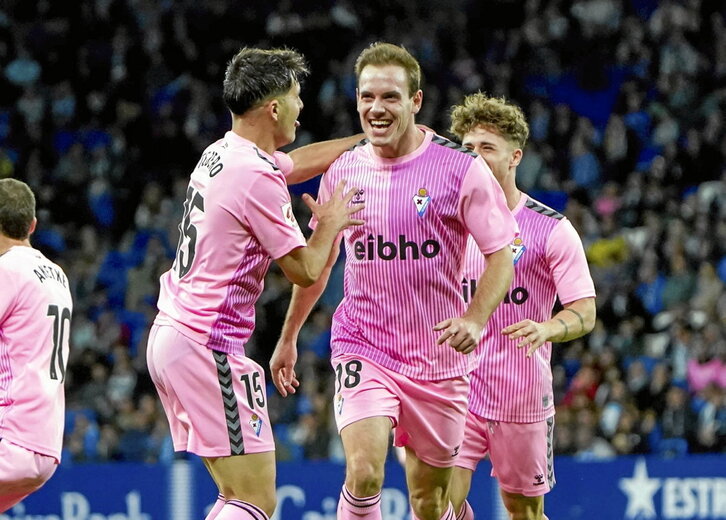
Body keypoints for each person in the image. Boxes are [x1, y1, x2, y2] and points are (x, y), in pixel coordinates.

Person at [270, 42, 518, 520]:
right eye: (366, 97)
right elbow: (319, 266)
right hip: (364, 344)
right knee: (364, 473)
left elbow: (501, 256)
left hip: (438, 360)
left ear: (416, 102)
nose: (376, 109)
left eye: (389, 97)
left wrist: (474, 318)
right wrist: (288, 337)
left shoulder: (460, 170)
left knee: (431, 503)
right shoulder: (344, 172)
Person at [145, 47, 365, 520]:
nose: (302, 106)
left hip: (175, 335)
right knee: (255, 500)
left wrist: (362, 143)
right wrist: (330, 222)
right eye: (296, 95)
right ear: (275, 107)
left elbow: (296, 163)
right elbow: (305, 270)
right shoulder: (254, 176)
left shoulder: (223, 153)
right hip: (208, 345)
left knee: (234, 495)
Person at [448, 93, 597, 520]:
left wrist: (547, 328)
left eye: (486, 149)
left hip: (521, 395)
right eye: (468, 149)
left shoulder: (551, 229)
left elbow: (584, 310)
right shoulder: (447, 226)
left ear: (515, 157)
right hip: (458, 390)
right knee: (437, 502)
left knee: (524, 514)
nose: (474, 158)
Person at [0, 179, 73, 512]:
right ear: (32, 225)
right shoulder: (56, 273)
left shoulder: (8, 270)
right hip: (44, 446)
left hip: (10, 437)